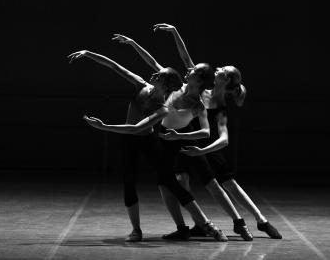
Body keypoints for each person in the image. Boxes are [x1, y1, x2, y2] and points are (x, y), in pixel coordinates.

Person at [68, 36, 226, 242]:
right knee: (129, 182)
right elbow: (116, 66)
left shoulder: (162, 109)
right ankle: (136, 230)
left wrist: (104, 126)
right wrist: (89, 54)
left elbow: (136, 128)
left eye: (158, 75)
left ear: (165, 84)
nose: (153, 73)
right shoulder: (141, 84)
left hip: (146, 141)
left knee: (169, 181)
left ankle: (206, 224)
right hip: (130, 141)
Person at [154, 23, 282, 239]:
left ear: (227, 80)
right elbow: (186, 59)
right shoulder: (203, 90)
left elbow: (223, 140)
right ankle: (197, 223)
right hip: (190, 140)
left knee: (227, 183)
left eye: (223, 70)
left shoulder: (221, 108)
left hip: (208, 146)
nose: (219, 68)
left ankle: (260, 220)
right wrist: (175, 32)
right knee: (181, 179)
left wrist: (204, 151)